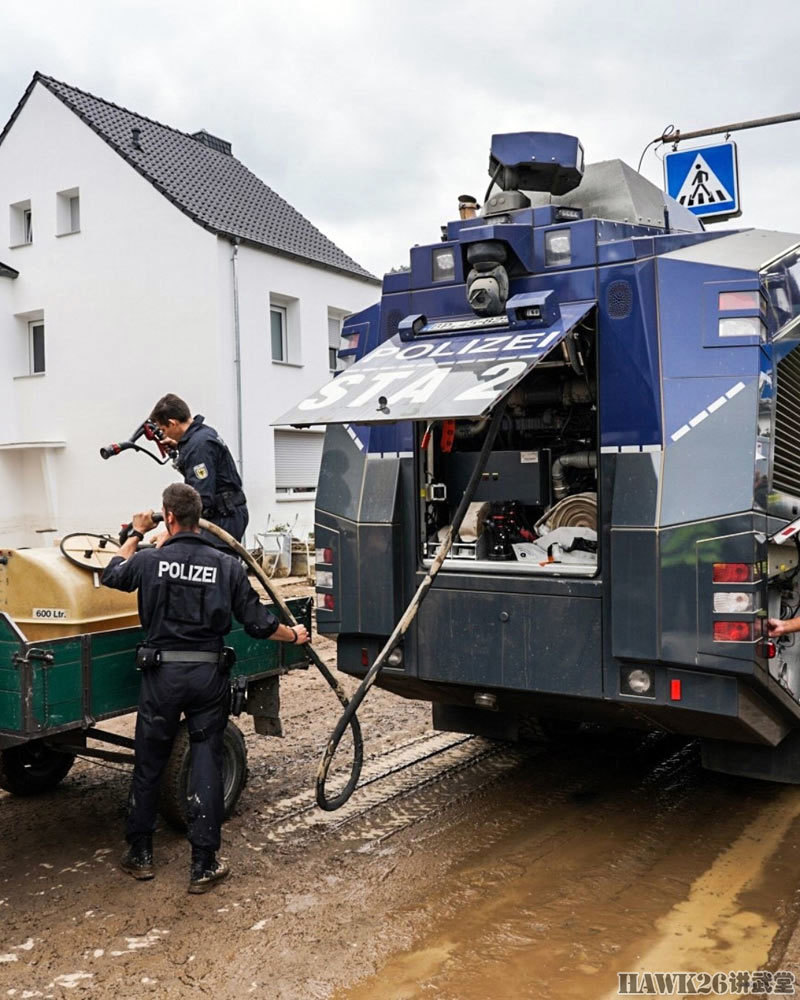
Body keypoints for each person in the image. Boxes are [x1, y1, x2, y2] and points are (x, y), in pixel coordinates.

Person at [102, 482, 309, 893]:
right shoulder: (227, 565)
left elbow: (111, 575)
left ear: (170, 518)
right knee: (204, 763)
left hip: (161, 677)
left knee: (150, 762)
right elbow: (258, 623)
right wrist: (295, 634)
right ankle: (203, 864)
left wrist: (134, 534)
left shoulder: (149, 561)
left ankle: (140, 855)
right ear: (200, 519)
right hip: (207, 677)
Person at [149, 393, 249, 542]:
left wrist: (172, 532)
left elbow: (201, 497)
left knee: (208, 561)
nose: (165, 434)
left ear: (173, 423)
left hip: (222, 518)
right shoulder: (201, 435)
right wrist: (181, 448)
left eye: (163, 430)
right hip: (226, 512)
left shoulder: (198, 446)